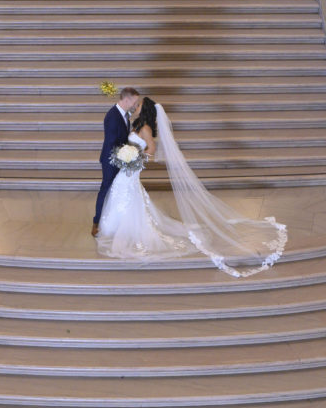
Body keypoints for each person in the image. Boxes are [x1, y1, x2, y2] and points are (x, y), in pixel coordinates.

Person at [95, 96, 287, 278]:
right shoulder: (136, 124)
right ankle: (114, 225)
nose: (135, 107)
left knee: (128, 194)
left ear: (143, 110)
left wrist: (137, 159)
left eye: (138, 105)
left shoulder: (145, 128)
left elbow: (151, 148)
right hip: (128, 169)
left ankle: (124, 228)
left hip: (132, 168)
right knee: (123, 192)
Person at [92, 87, 139, 237]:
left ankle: (113, 221)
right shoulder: (113, 116)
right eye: (134, 101)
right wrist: (126, 155)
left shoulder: (124, 115)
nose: (135, 105)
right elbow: (112, 143)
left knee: (115, 192)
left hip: (120, 160)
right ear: (127, 99)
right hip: (111, 161)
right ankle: (96, 222)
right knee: (106, 190)